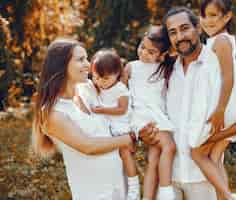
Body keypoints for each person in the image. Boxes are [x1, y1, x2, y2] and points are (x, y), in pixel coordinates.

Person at [139, 6, 236, 200]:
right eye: (173, 32)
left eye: (185, 28)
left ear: (198, 28)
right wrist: (145, 133)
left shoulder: (218, 63)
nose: (180, 37)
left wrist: (216, 137)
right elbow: (148, 110)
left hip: (205, 181)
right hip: (168, 181)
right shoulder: (163, 71)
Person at [32, 38, 136, 200]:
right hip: (94, 193)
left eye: (87, 58)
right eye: (81, 60)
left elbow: (120, 98)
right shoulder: (53, 112)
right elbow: (88, 146)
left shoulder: (88, 89)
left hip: (120, 187)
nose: (88, 65)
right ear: (61, 65)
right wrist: (130, 138)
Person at [186, 0, 236, 199]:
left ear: (227, 17)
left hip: (225, 107)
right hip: (226, 105)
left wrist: (220, 109)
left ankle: (228, 197)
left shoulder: (221, 41)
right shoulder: (214, 42)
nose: (207, 20)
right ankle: (224, 197)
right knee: (214, 157)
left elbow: (228, 76)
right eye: (204, 16)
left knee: (196, 152)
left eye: (213, 15)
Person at [76, 49, 140, 200]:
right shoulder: (96, 86)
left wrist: (102, 110)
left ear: (117, 74)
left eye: (104, 79)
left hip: (121, 126)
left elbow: (121, 110)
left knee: (125, 155)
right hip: (108, 127)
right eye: (96, 77)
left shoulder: (120, 90)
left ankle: (134, 187)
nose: (99, 82)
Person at [123, 25, 177, 200]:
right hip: (142, 115)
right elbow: (121, 95)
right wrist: (126, 125)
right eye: (142, 47)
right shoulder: (131, 67)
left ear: (162, 56)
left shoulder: (164, 68)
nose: (144, 53)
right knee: (169, 146)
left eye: (151, 51)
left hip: (157, 115)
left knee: (154, 158)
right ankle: (166, 192)